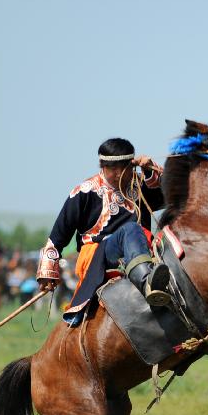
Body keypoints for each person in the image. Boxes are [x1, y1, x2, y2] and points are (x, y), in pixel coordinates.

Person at [36, 138, 171, 325]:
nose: (116, 174)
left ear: (131, 166)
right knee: (131, 229)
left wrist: (149, 170)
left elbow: (171, 196)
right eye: (111, 168)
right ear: (102, 165)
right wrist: (47, 272)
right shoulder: (84, 192)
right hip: (96, 254)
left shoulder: (139, 185)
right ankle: (147, 282)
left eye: (122, 168)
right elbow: (59, 234)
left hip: (140, 252)